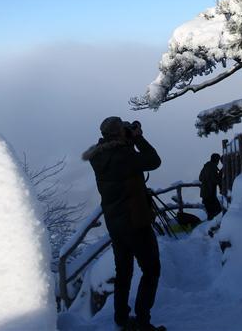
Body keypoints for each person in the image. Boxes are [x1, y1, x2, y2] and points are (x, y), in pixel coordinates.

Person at [83, 116, 165, 331]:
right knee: (151, 270)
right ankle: (143, 322)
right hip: (136, 222)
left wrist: (127, 140)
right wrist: (138, 138)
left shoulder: (100, 157)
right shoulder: (124, 157)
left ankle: (121, 319)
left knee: (124, 273)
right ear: (119, 133)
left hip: (116, 225)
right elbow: (154, 161)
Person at [199, 153, 223, 220]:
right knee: (218, 211)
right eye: (218, 160)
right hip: (210, 193)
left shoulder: (206, 166)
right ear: (216, 160)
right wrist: (220, 178)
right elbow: (215, 180)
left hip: (205, 193)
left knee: (211, 212)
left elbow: (200, 178)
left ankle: (209, 225)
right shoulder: (212, 168)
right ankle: (212, 227)